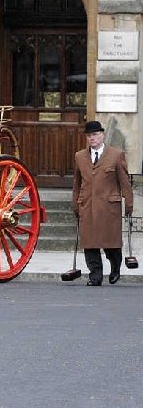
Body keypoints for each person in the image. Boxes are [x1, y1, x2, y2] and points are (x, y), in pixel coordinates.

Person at [72, 120, 134, 286]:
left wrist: (129, 203)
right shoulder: (80, 156)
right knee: (90, 243)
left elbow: (124, 182)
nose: (92, 138)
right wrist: (75, 204)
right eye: (89, 135)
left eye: (95, 135)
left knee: (111, 243)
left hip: (109, 207)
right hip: (87, 205)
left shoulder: (116, 155)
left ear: (102, 135)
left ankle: (115, 269)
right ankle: (95, 275)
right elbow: (77, 184)